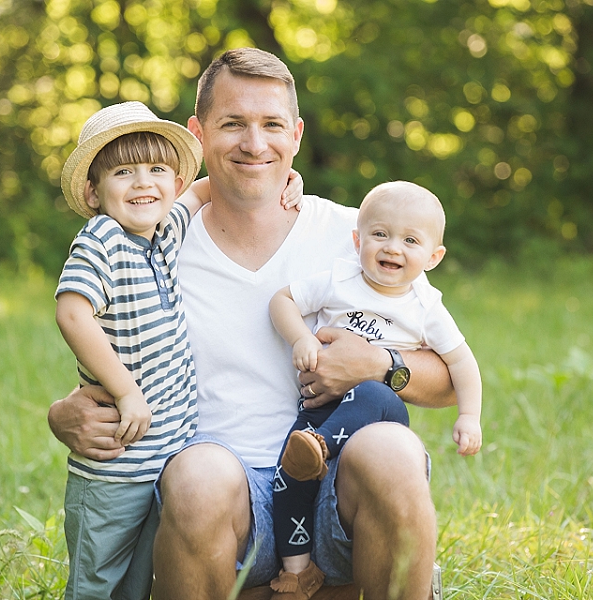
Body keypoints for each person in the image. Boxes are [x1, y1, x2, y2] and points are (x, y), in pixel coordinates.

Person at [48, 48, 457, 600]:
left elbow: (450, 377)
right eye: (233, 124)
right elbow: (107, 340)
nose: (255, 144)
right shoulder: (157, 241)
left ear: (296, 134)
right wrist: (64, 413)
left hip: (339, 491)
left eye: (272, 126)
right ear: (198, 132)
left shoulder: (361, 236)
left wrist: (383, 364)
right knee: (197, 479)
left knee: (393, 450)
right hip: (227, 503)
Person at [53, 100, 303, 599]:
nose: (144, 183)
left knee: (139, 582)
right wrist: (126, 391)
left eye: (157, 170)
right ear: (92, 191)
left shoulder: (164, 234)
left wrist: (284, 179)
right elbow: (73, 313)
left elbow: (209, 187)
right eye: (124, 172)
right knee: (98, 581)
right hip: (117, 462)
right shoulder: (101, 239)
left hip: (162, 461)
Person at [267, 180, 483, 598]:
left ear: (433, 256)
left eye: (410, 240)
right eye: (380, 234)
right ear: (357, 239)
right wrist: (302, 339)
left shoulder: (425, 306)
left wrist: (469, 416)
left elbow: (462, 363)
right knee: (288, 476)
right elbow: (282, 301)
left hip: (378, 415)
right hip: (319, 412)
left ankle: (319, 447)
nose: (392, 248)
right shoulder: (339, 279)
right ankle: (298, 573)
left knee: (373, 392)